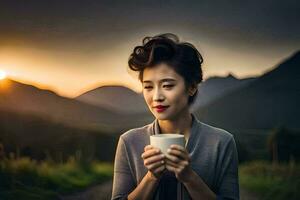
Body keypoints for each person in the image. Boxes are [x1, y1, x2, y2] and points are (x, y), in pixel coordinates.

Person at [111, 33, 240, 200]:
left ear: (192, 87)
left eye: (167, 85)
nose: (157, 96)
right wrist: (151, 177)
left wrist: (190, 177)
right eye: (148, 87)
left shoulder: (221, 143)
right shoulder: (129, 141)